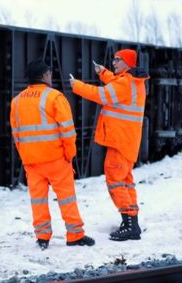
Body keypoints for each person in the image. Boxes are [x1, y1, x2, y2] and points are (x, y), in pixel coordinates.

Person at [10, 60, 95, 250]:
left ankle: (42, 237)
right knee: (66, 198)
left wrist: (26, 157)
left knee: (38, 200)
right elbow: (67, 131)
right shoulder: (55, 97)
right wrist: (69, 155)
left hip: (32, 162)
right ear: (44, 76)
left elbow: (16, 134)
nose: (51, 76)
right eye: (49, 73)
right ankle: (74, 234)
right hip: (56, 159)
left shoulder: (16, 101)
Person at [69, 49, 149, 241]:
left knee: (115, 180)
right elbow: (116, 83)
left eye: (117, 60)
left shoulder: (125, 83)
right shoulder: (131, 81)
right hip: (126, 141)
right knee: (126, 181)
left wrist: (76, 85)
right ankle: (132, 223)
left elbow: (102, 95)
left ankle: (129, 224)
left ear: (128, 63)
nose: (114, 62)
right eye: (114, 60)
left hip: (120, 141)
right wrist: (102, 72)